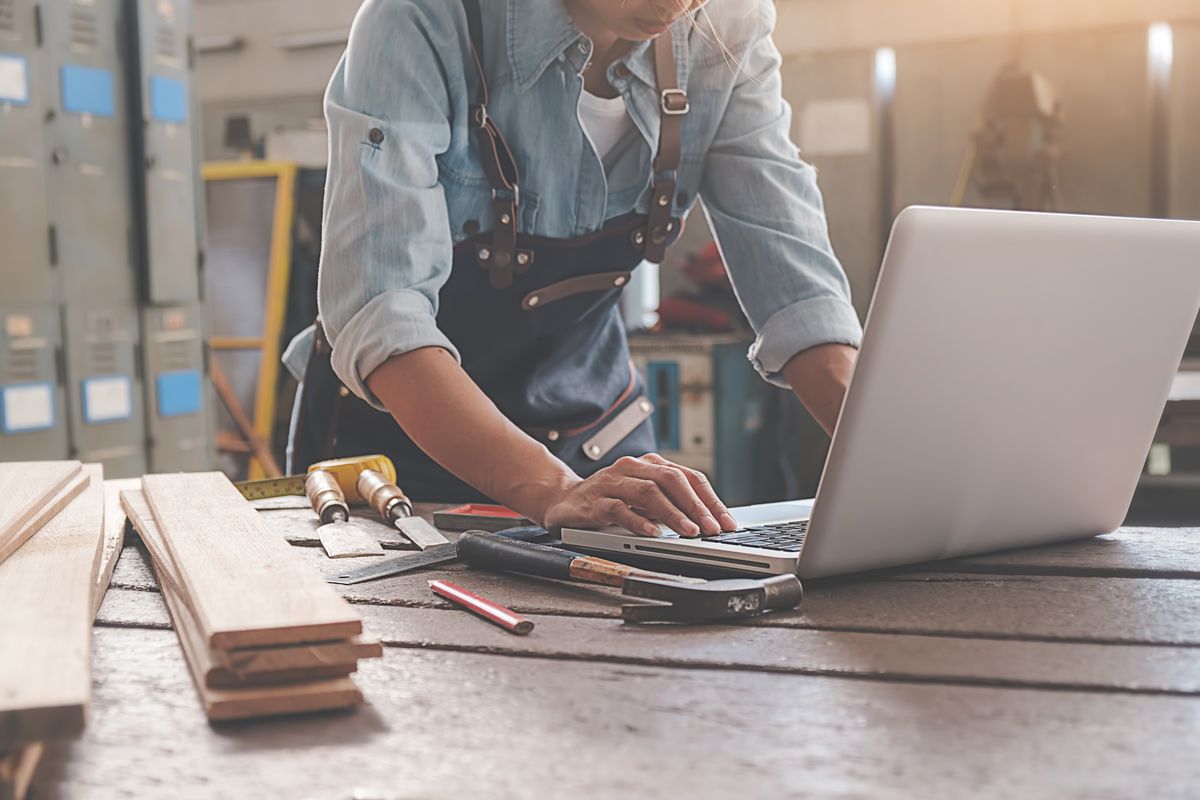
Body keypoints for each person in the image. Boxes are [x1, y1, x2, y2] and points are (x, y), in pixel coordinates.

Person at [284, 0, 863, 540]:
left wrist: (897, 463)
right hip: (400, 467)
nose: (685, 3)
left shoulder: (727, 22)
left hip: (602, 442)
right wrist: (552, 488)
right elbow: (383, 313)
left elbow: (797, 289)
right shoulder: (421, 19)